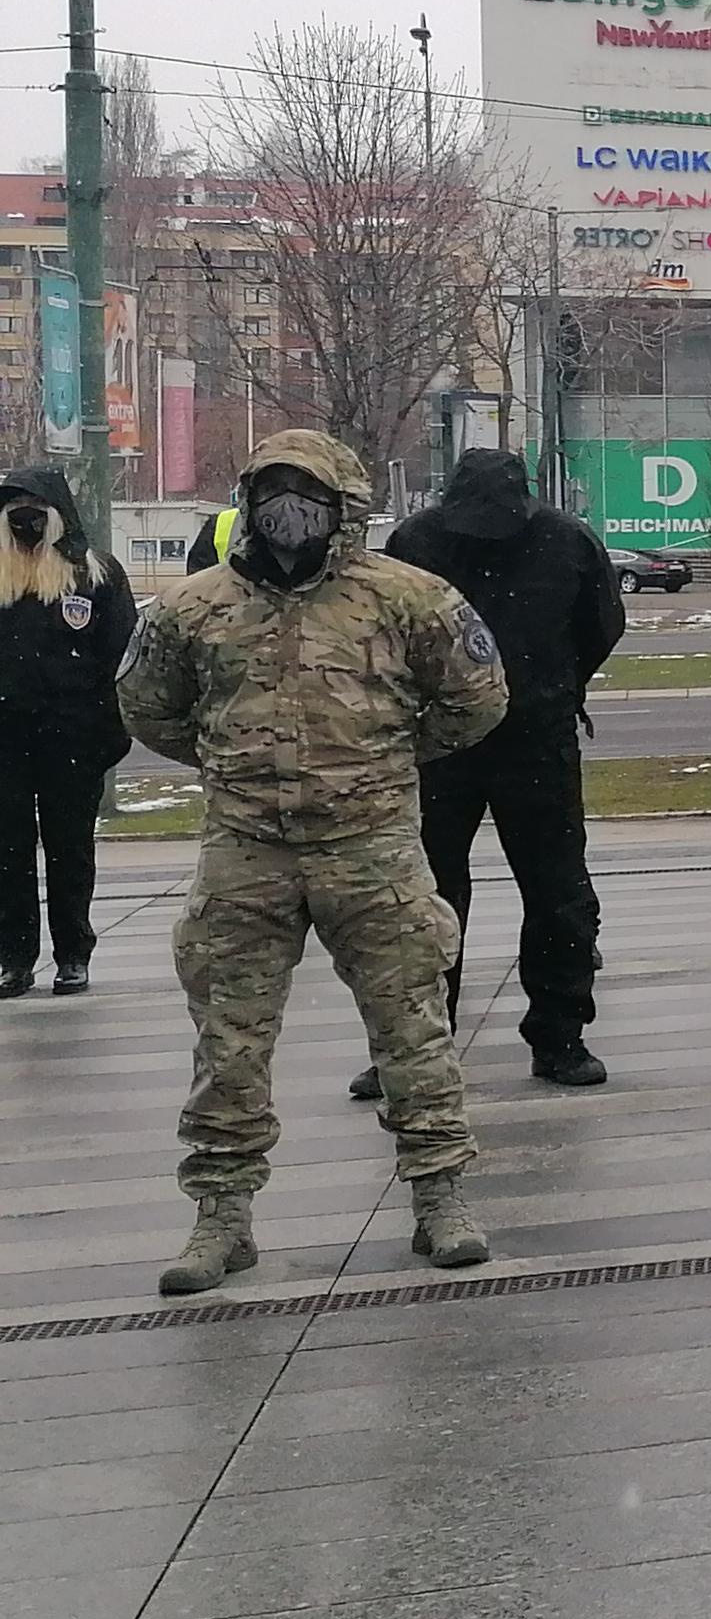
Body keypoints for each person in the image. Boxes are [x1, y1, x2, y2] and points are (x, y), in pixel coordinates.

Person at [120, 434, 511, 1292]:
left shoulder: (407, 598)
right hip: (245, 851)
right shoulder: (193, 608)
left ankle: (440, 1198)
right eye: (273, 490)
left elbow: (477, 700)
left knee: (414, 1030)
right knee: (227, 1041)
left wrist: (385, 759)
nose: (288, 508)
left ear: (345, 508)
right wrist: (237, 760)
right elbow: (149, 707)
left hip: (370, 849)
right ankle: (221, 1218)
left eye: (308, 492)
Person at [378, 449, 624, 1088]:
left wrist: (551, 688)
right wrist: (553, 683)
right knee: (432, 895)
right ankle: (424, 1042)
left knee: (551, 894)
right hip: (458, 739)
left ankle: (556, 1033)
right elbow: (600, 628)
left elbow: (601, 625)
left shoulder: (426, 539)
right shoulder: (424, 541)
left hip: (510, 737)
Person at [0, 459, 134, 998]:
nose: (24, 523)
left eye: (33, 513)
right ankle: (14, 956)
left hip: (72, 735)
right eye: (14, 514)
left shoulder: (94, 575)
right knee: (7, 850)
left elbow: (121, 655)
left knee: (69, 848)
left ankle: (73, 953)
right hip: (6, 736)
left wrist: (105, 729)